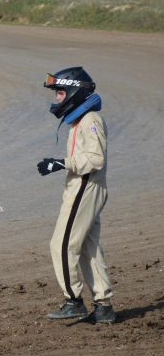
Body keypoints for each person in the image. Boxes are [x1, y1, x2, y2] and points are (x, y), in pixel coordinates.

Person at [39, 67, 115, 324]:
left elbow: (95, 159)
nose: (57, 99)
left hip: (85, 186)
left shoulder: (90, 120)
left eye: (60, 93)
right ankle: (103, 306)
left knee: (61, 244)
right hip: (85, 186)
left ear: (73, 92)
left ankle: (73, 301)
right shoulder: (81, 119)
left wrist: (62, 163)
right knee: (87, 247)